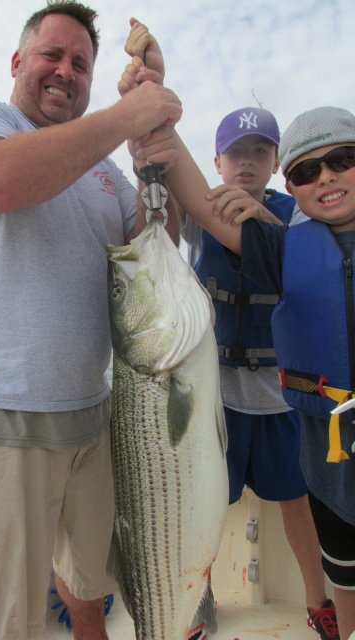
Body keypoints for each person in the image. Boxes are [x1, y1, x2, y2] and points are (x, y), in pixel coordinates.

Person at [0, 3, 182, 640]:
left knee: (90, 584)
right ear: (17, 61)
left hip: (91, 419)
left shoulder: (105, 172)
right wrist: (124, 118)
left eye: (81, 64)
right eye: (51, 56)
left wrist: (149, 161)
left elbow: (155, 252)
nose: (66, 72)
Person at [162, 106, 355, 640]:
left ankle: (317, 601)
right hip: (214, 396)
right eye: (237, 154)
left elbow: (294, 252)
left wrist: (259, 216)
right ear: (218, 161)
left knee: (299, 502)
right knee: (202, 505)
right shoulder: (208, 210)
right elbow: (184, 210)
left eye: (259, 153)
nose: (246, 164)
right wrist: (155, 116)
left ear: (274, 165)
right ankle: (196, 599)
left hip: (285, 398)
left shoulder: (301, 217)